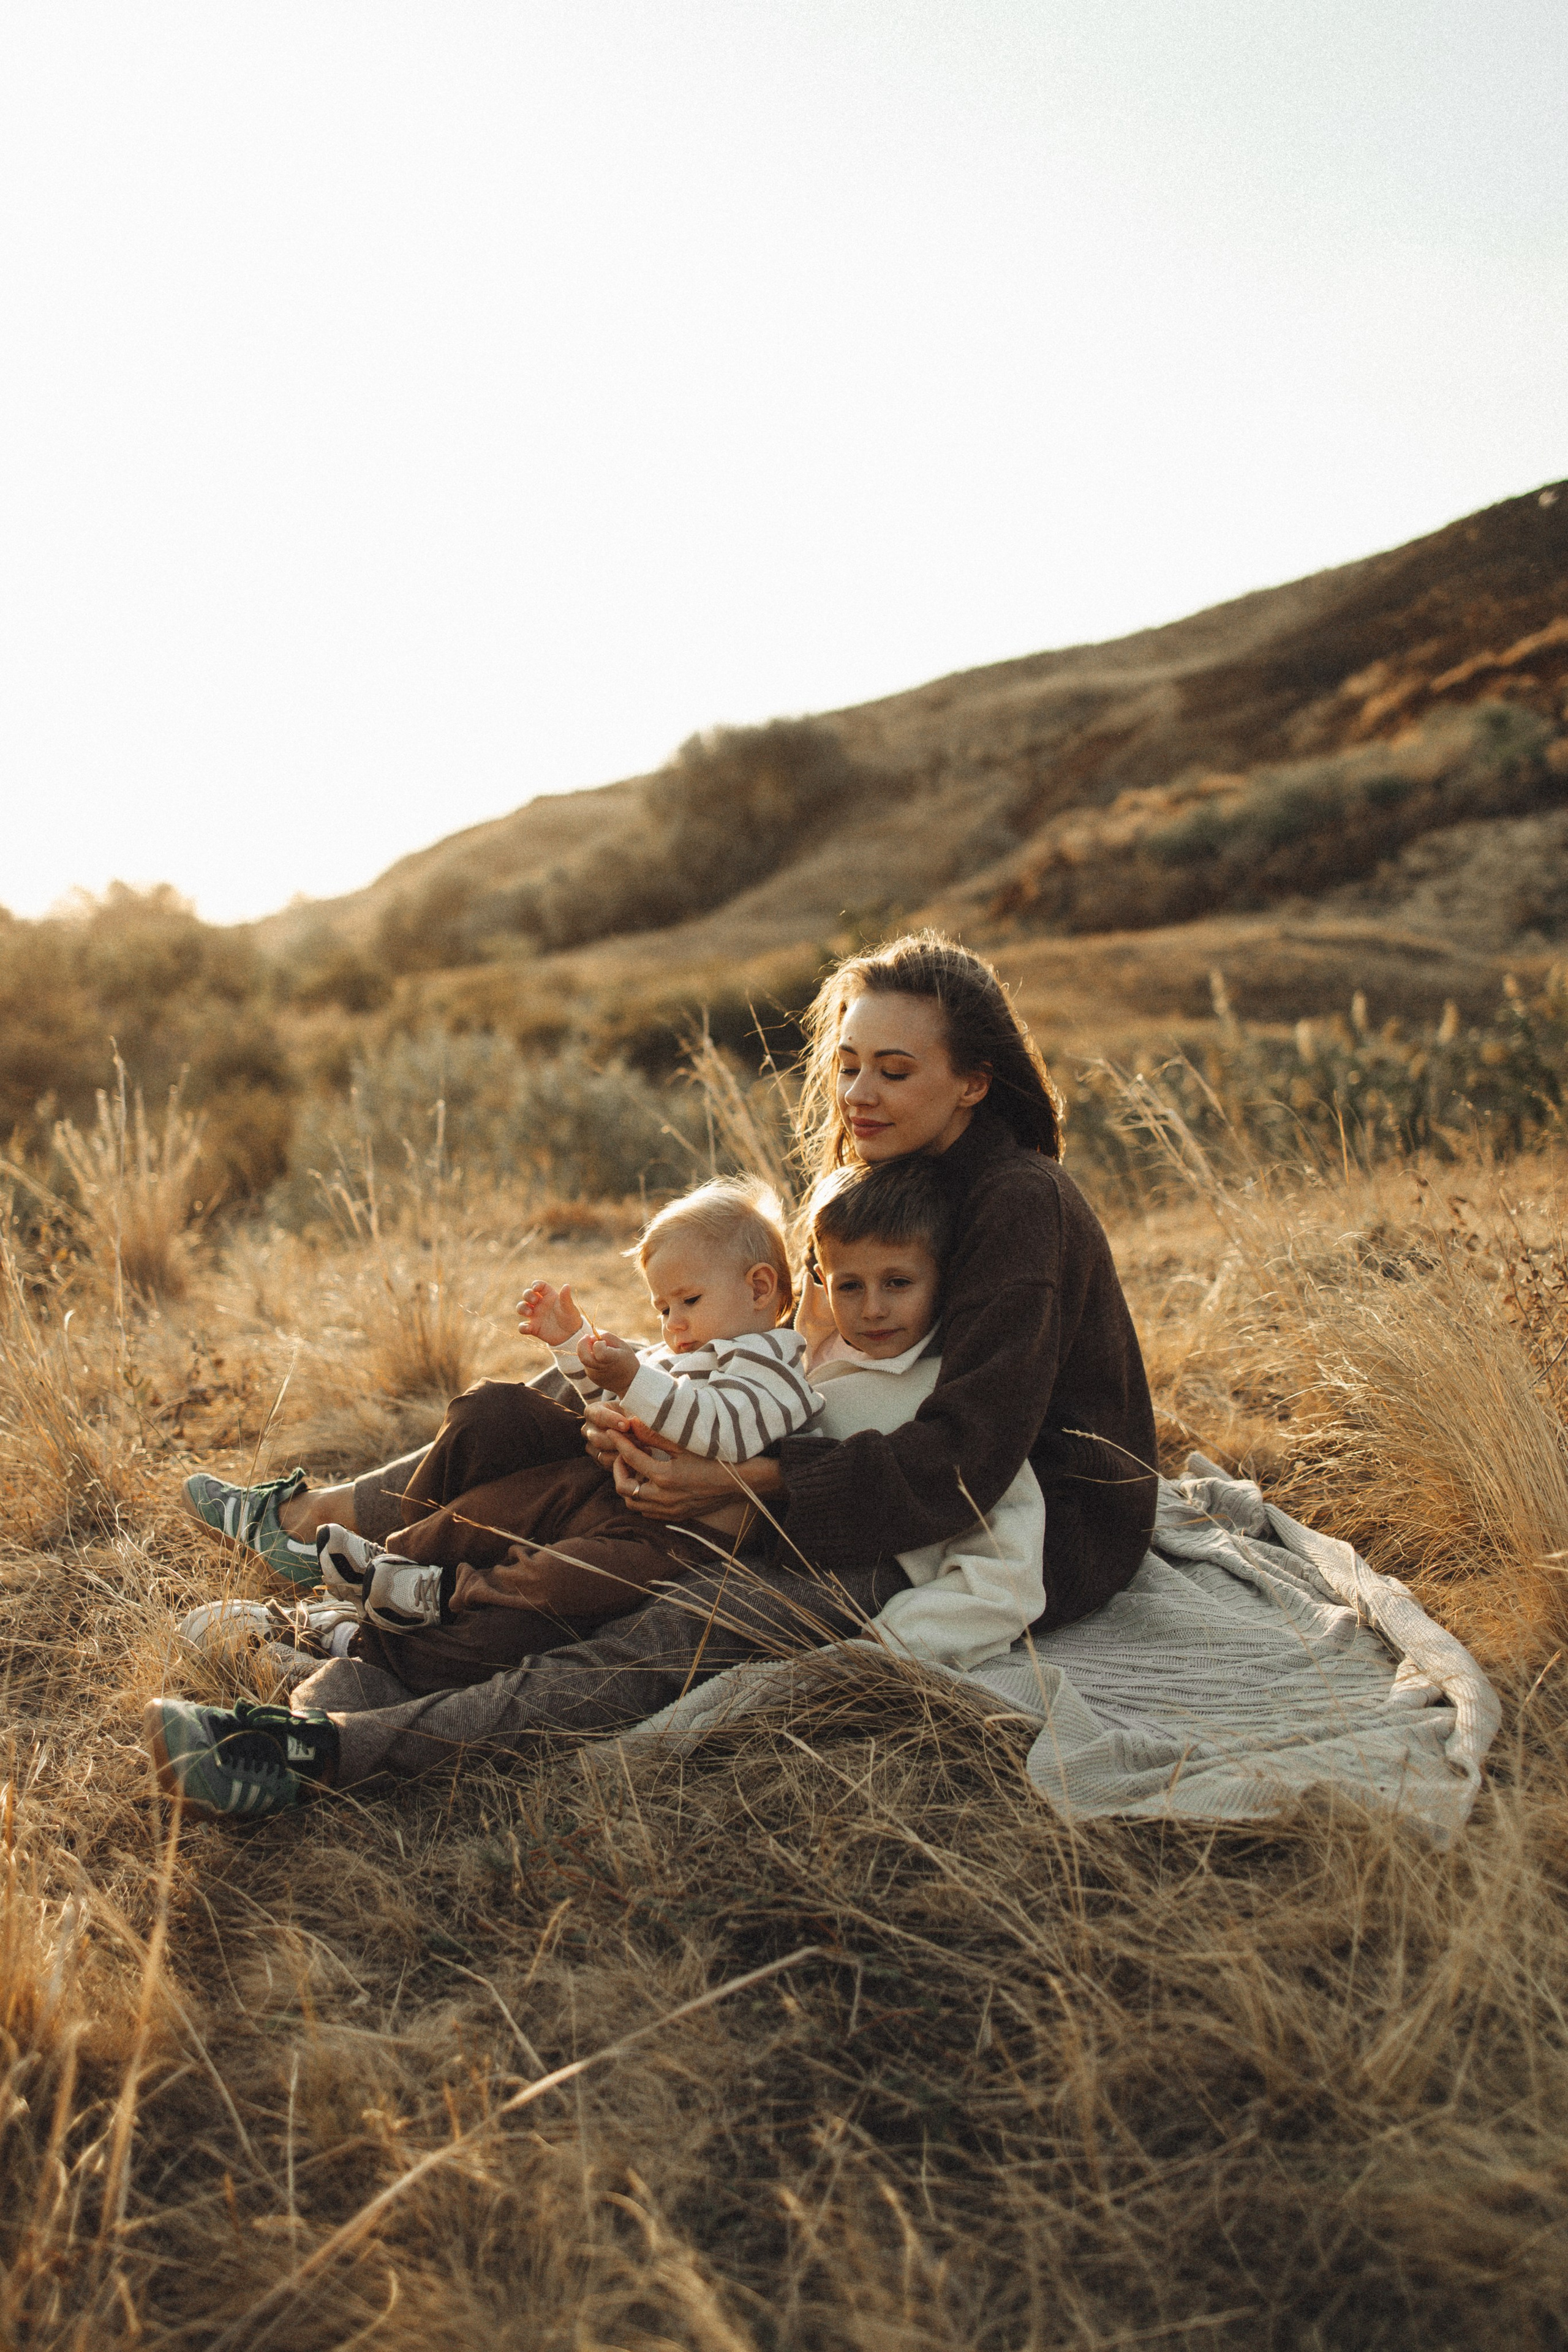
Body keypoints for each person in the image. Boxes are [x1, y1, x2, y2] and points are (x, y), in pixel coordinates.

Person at [145, 930, 1158, 1816]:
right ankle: (324, 1534)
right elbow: (807, 1352)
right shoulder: (888, 1176)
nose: (858, 1095)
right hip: (844, 1446)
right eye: (848, 1066)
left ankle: (321, 1754)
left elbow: (965, 1463)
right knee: (583, 1392)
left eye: (894, 1070)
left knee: (685, 1619)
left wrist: (738, 1488)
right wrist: (658, 1399)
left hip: (989, 1524)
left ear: (974, 1080)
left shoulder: (1023, 1204)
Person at [179, 1177, 817, 1676]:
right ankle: (382, 1572)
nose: (672, 1322)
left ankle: (429, 1601)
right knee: (492, 1507)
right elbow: (618, 1401)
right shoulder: (685, 1353)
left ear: (761, 1287)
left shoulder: (774, 1372)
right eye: (662, 1307)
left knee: (559, 1577)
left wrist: (636, 1381)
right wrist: (575, 1348)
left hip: (676, 1541)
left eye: (688, 1302)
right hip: (612, 1496)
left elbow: (717, 1432)